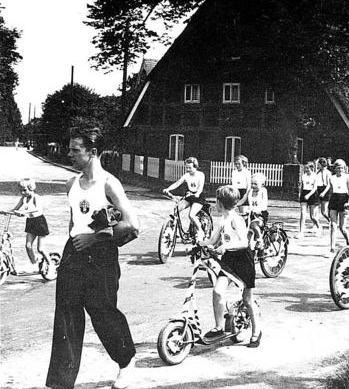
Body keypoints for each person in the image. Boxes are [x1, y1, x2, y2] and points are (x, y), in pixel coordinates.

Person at [46, 127, 139, 389]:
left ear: (93, 152)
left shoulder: (109, 183)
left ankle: (126, 360)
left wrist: (94, 238)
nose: (70, 154)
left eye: (76, 150)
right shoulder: (70, 183)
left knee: (102, 312)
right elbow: (75, 221)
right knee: (66, 315)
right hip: (74, 253)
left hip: (101, 255)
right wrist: (73, 246)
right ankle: (61, 382)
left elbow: (132, 225)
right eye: (70, 148)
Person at [199, 185, 261, 347]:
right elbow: (212, 240)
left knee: (247, 299)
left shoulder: (235, 219)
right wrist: (199, 244)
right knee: (218, 291)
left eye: (216, 201)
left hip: (243, 260)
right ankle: (219, 327)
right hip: (229, 259)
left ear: (220, 203)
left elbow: (243, 241)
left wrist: (224, 247)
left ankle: (256, 332)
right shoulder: (223, 219)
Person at [10, 178, 52, 271]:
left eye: (24, 190)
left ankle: (51, 264)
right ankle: (34, 264)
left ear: (31, 188)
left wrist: (24, 212)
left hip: (39, 222)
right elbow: (15, 208)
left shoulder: (36, 197)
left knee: (40, 249)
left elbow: (37, 209)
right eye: (20, 191)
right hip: (30, 222)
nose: (22, 193)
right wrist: (7, 211)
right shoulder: (23, 198)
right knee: (28, 246)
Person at [162, 157, 206, 241]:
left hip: (198, 198)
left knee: (191, 215)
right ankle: (175, 231)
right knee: (176, 210)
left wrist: (197, 194)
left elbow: (200, 187)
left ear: (195, 166)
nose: (188, 169)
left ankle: (200, 231)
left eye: (190, 167)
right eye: (186, 167)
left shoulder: (200, 175)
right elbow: (177, 183)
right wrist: (168, 189)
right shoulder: (186, 175)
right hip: (189, 196)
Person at [320, 158, 349, 255]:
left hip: (344, 200)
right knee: (333, 225)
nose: (340, 170)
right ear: (335, 168)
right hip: (334, 200)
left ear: (344, 168)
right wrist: (324, 194)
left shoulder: (347, 177)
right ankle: (332, 249)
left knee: (342, 228)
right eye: (338, 168)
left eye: (341, 168)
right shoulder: (331, 178)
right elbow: (330, 189)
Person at [298, 161, 321, 238]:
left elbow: (315, 188)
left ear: (312, 168)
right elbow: (302, 186)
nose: (306, 170)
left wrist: (308, 195)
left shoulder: (315, 176)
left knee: (312, 216)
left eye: (307, 168)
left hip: (312, 195)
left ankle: (319, 227)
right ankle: (301, 232)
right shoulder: (303, 176)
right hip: (304, 194)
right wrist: (300, 194)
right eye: (305, 168)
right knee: (303, 214)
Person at [247, 172, 268, 250]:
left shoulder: (263, 191)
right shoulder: (250, 191)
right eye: (252, 183)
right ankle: (247, 248)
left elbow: (264, 204)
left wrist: (258, 210)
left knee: (253, 225)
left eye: (255, 184)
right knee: (247, 230)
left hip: (261, 214)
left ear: (261, 184)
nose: (253, 186)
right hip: (252, 214)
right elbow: (247, 202)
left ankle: (260, 240)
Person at [316, 157, 332, 224]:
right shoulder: (318, 172)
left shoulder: (328, 173)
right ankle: (315, 224)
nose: (317, 166)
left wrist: (323, 192)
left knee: (323, 212)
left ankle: (331, 220)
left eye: (318, 164)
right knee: (315, 209)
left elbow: (328, 185)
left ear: (322, 164)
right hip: (318, 189)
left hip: (325, 190)